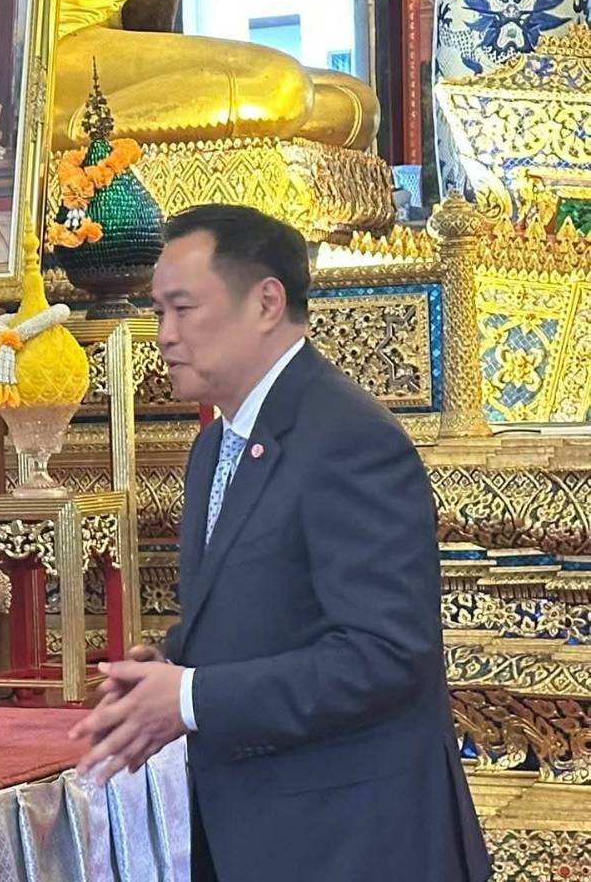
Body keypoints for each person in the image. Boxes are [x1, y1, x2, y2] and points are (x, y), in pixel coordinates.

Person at [70, 205, 490, 881]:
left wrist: (188, 697)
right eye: (157, 313)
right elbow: (276, 609)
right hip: (258, 833)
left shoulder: (348, 438)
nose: (164, 335)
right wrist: (172, 662)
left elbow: (383, 656)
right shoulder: (214, 446)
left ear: (266, 302)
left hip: (352, 842)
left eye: (182, 308)